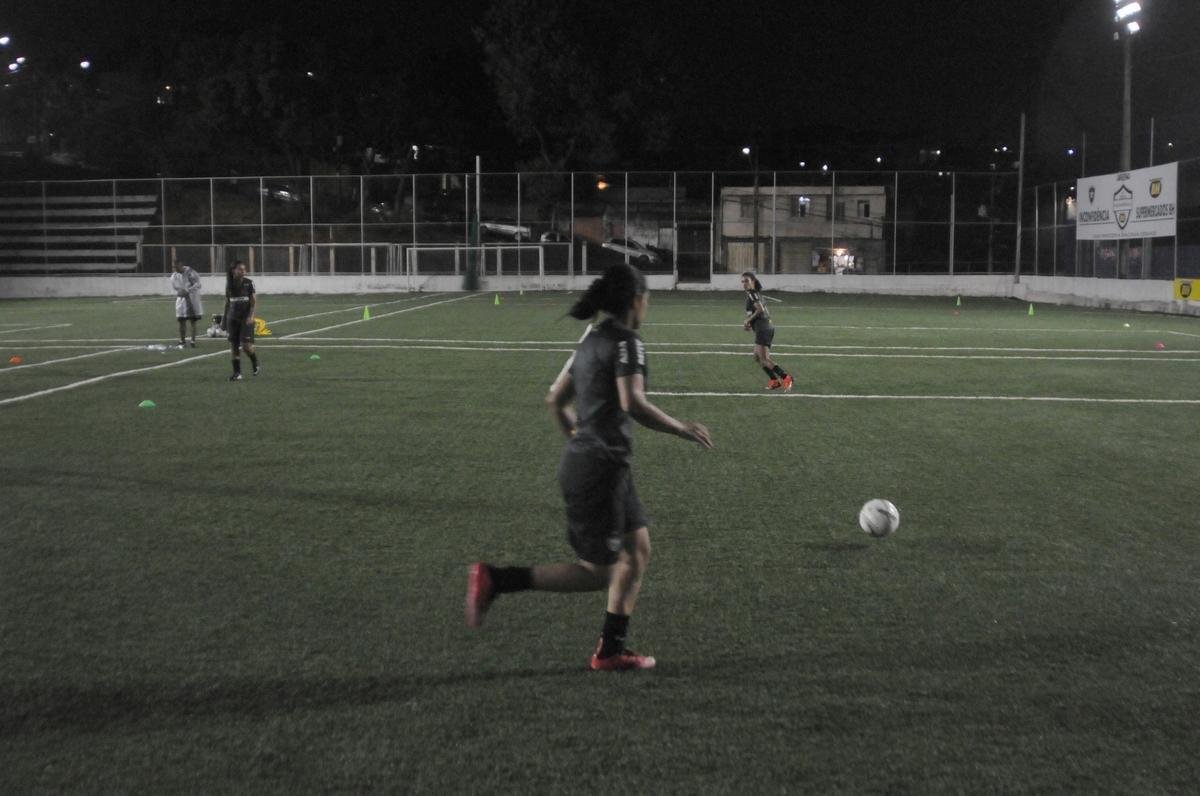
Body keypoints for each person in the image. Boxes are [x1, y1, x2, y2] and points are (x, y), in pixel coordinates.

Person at [465, 263, 713, 671]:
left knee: (637, 551)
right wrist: (682, 427)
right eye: (647, 297)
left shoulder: (591, 339)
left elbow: (554, 401)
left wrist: (584, 443)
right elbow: (633, 402)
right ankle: (497, 579)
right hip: (601, 470)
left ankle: (611, 650)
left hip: (598, 466)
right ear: (636, 300)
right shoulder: (628, 343)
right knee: (599, 572)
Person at [741, 272, 793, 391]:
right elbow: (761, 312)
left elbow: (760, 309)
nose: (744, 284)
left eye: (746, 281)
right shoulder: (755, 293)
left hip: (763, 329)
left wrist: (748, 320)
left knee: (764, 359)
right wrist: (750, 323)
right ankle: (774, 381)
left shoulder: (752, 293)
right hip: (765, 328)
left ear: (753, 281)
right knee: (757, 357)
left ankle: (787, 377)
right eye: (742, 281)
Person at [223, 260, 260, 381]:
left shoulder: (249, 283)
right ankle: (237, 373)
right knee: (234, 346)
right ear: (234, 270)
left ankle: (255, 361)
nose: (243, 271)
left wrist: (251, 316)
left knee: (246, 346)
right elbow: (227, 303)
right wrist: (224, 320)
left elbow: (253, 303)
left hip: (246, 318)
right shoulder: (229, 284)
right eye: (240, 269)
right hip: (232, 318)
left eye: (244, 269)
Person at [170, 260, 204, 347]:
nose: (175, 269)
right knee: (181, 320)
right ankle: (182, 340)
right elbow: (174, 287)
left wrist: (188, 290)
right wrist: (179, 292)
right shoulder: (174, 275)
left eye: (176, 267)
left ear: (181, 265)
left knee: (192, 321)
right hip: (180, 301)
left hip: (191, 300)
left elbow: (198, 284)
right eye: (174, 267)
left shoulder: (191, 272)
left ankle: (193, 341)